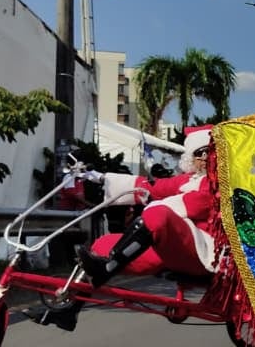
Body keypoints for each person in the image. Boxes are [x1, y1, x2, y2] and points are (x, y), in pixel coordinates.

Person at [28, 126, 218, 331]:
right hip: (172, 249)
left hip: (203, 251)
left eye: (210, 151)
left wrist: (152, 210)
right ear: (191, 157)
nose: (205, 157)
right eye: (199, 153)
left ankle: (106, 269)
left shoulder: (220, 184)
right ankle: (69, 311)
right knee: (102, 245)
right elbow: (151, 186)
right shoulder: (188, 180)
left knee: (157, 215)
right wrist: (99, 177)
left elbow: (197, 203)